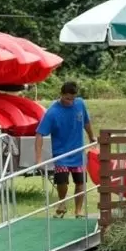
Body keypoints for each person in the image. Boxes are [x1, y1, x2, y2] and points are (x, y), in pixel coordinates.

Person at [35, 81, 96, 218]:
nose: (70, 102)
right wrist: (39, 158)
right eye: (67, 98)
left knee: (80, 182)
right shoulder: (52, 112)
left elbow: (86, 122)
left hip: (78, 152)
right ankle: (62, 203)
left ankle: (78, 211)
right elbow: (39, 134)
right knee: (62, 181)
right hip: (61, 153)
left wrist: (92, 136)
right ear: (61, 95)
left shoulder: (80, 104)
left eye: (73, 99)